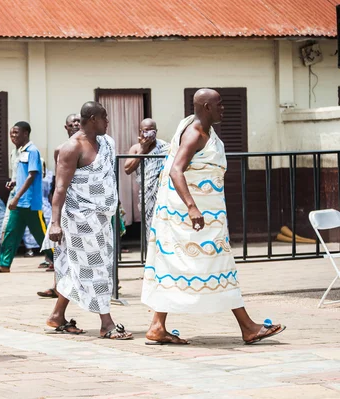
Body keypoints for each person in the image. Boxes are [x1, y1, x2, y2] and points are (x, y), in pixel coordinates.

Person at [141, 89, 285, 345]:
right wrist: (192, 207)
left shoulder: (206, 132)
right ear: (206, 106)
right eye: (220, 105)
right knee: (216, 266)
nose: (223, 109)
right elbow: (176, 170)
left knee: (178, 266)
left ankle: (157, 326)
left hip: (208, 216)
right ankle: (248, 327)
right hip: (191, 217)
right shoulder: (195, 133)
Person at [45, 102, 133, 339]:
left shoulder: (107, 143)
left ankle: (57, 316)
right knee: (96, 269)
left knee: (79, 268)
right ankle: (106, 323)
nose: (108, 122)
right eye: (105, 117)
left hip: (103, 218)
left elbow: (107, 180)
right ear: (93, 118)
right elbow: (60, 188)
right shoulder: (71, 148)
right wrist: (55, 223)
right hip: (79, 219)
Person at [0, 122, 53, 273]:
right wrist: (14, 183)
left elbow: (32, 176)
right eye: (11, 134)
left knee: (41, 234)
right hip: (19, 202)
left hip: (30, 203)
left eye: (16, 133)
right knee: (11, 232)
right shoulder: (19, 152)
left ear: (26, 134)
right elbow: (23, 176)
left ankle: (56, 260)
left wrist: (16, 197)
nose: (13, 137)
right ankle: (4, 264)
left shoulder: (33, 151)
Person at [37, 113, 80, 297]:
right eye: (72, 123)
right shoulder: (61, 149)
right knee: (60, 246)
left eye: (78, 121)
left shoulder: (96, 146)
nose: (76, 125)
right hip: (66, 202)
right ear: (66, 127)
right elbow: (59, 180)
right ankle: (58, 286)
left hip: (85, 204)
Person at [123, 118, 170, 248]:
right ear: (140, 132)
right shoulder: (136, 148)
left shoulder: (165, 147)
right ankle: (151, 254)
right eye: (146, 131)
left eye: (152, 130)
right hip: (146, 194)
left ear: (157, 131)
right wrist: (143, 149)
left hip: (163, 193)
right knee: (149, 224)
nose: (149, 133)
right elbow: (127, 169)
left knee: (165, 224)